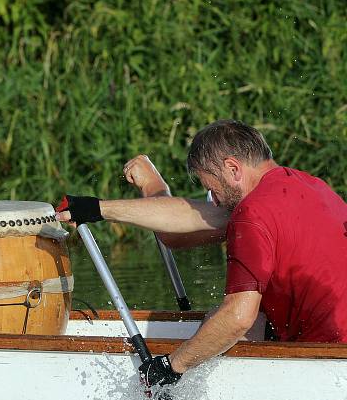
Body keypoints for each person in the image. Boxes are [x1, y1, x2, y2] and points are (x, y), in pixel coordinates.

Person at [56, 119, 347, 386]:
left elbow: (237, 318)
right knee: (241, 322)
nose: (216, 201)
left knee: (226, 322)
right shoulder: (310, 186)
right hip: (329, 343)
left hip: (328, 358)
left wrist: (171, 366)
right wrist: (100, 207)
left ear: (233, 169)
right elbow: (177, 231)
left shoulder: (253, 212)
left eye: (212, 188)